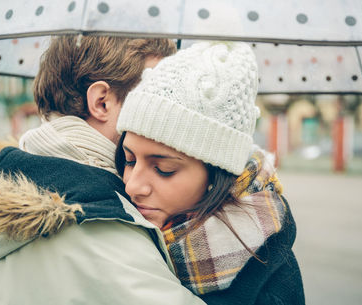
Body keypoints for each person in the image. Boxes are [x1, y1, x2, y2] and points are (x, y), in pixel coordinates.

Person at [0, 35, 209, 304]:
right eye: (155, 92)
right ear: (102, 102)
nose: (170, 107)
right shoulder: (102, 230)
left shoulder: (18, 177)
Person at [113, 41, 305, 304]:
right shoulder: (127, 233)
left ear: (217, 176)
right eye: (129, 160)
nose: (133, 186)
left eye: (164, 169)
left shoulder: (271, 284)